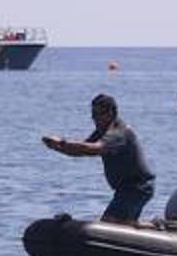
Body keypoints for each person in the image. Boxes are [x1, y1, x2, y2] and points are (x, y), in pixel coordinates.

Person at [42, 94, 155, 224]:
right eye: (93, 114)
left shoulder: (118, 133)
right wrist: (56, 147)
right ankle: (152, 226)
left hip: (137, 187)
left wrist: (62, 142)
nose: (93, 118)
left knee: (109, 223)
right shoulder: (102, 131)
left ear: (110, 113)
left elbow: (95, 149)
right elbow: (82, 151)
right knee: (124, 224)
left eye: (98, 114)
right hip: (127, 188)